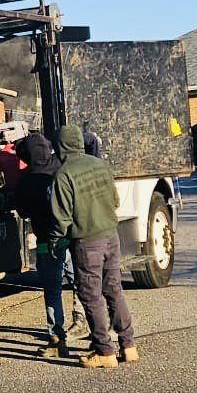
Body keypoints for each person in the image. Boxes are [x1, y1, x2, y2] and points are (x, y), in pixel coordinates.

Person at [46, 125, 137, 369]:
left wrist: (55, 241)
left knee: (90, 294)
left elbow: (61, 217)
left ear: (60, 146)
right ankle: (128, 346)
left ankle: (104, 351)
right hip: (111, 235)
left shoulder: (63, 174)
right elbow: (115, 201)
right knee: (114, 290)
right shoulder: (100, 165)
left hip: (87, 242)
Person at [9, 132, 71, 357]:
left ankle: (56, 338)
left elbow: (23, 212)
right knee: (83, 286)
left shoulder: (27, 181)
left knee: (52, 291)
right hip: (71, 238)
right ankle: (92, 329)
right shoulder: (62, 167)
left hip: (46, 243)